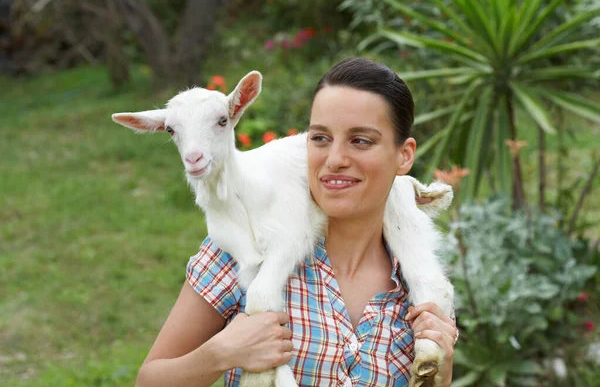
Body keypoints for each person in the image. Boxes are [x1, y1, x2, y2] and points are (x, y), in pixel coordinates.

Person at [135, 58, 457, 387]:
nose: (335, 160)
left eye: (360, 141)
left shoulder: (422, 290)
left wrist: (442, 375)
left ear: (404, 156)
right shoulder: (241, 247)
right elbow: (149, 381)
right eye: (320, 138)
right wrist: (221, 353)